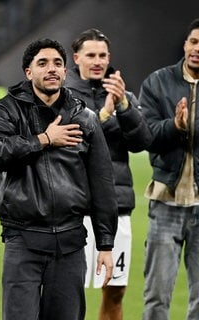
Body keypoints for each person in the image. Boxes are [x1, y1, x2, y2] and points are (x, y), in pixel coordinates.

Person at [0, 38, 118, 320]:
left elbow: (102, 180)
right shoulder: (7, 110)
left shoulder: (84, 117)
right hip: (23, 240)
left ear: (66, 71)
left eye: (57, 63)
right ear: (28, 72)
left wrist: (105, 244)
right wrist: (43, 140)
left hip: (70, 242)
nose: (51, 69)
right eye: (42, 63)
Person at [64, 28, 153, 320]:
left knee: (115, 291)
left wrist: (125, 108)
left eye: (103, 55)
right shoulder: (63, 97)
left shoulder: (123, 95)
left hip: (116, 207)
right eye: (90, 55)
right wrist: (104, 116)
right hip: (73, 209)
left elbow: (142, 142)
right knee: (66, 291)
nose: (97, 61)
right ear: (76, 58)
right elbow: (76, 145)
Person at [139, 18, 199, 320]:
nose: (197, 49)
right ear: (186, 44)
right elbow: (146, 134)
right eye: (194, 42)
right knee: (156, 297)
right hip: (166, 201)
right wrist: (174, 127)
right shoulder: (157, 82)